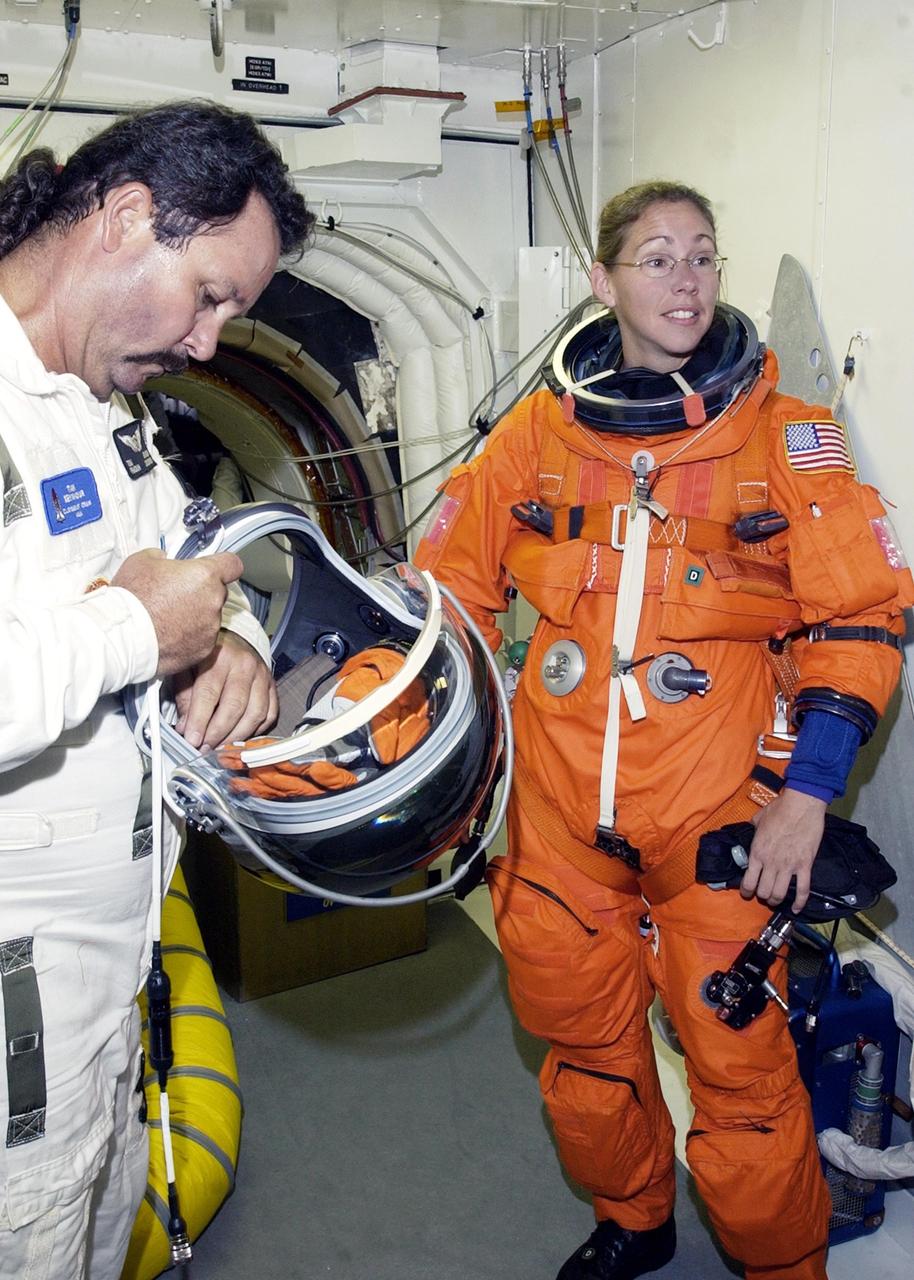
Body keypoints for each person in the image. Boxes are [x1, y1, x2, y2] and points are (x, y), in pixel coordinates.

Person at [414, 180, 913, 1280]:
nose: (683, 281)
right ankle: (632, 1217)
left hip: (719, 814)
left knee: (740, 1077)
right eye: (655, 259)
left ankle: (781, 1266)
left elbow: (859, 619)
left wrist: (805, 797)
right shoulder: (537, 435)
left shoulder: (788, 438)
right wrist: (439, 755)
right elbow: (443, 589)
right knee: (586, 1052)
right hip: (557, 816)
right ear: (603, 283)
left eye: (701, 257)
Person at [0, 100, 312, 1278]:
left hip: (106, 984)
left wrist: (221, 634)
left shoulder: (100, 408)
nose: (209, 344)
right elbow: (137, 613)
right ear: (128, 217)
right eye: (212, 292)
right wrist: (139, 626)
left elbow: (186, 562)